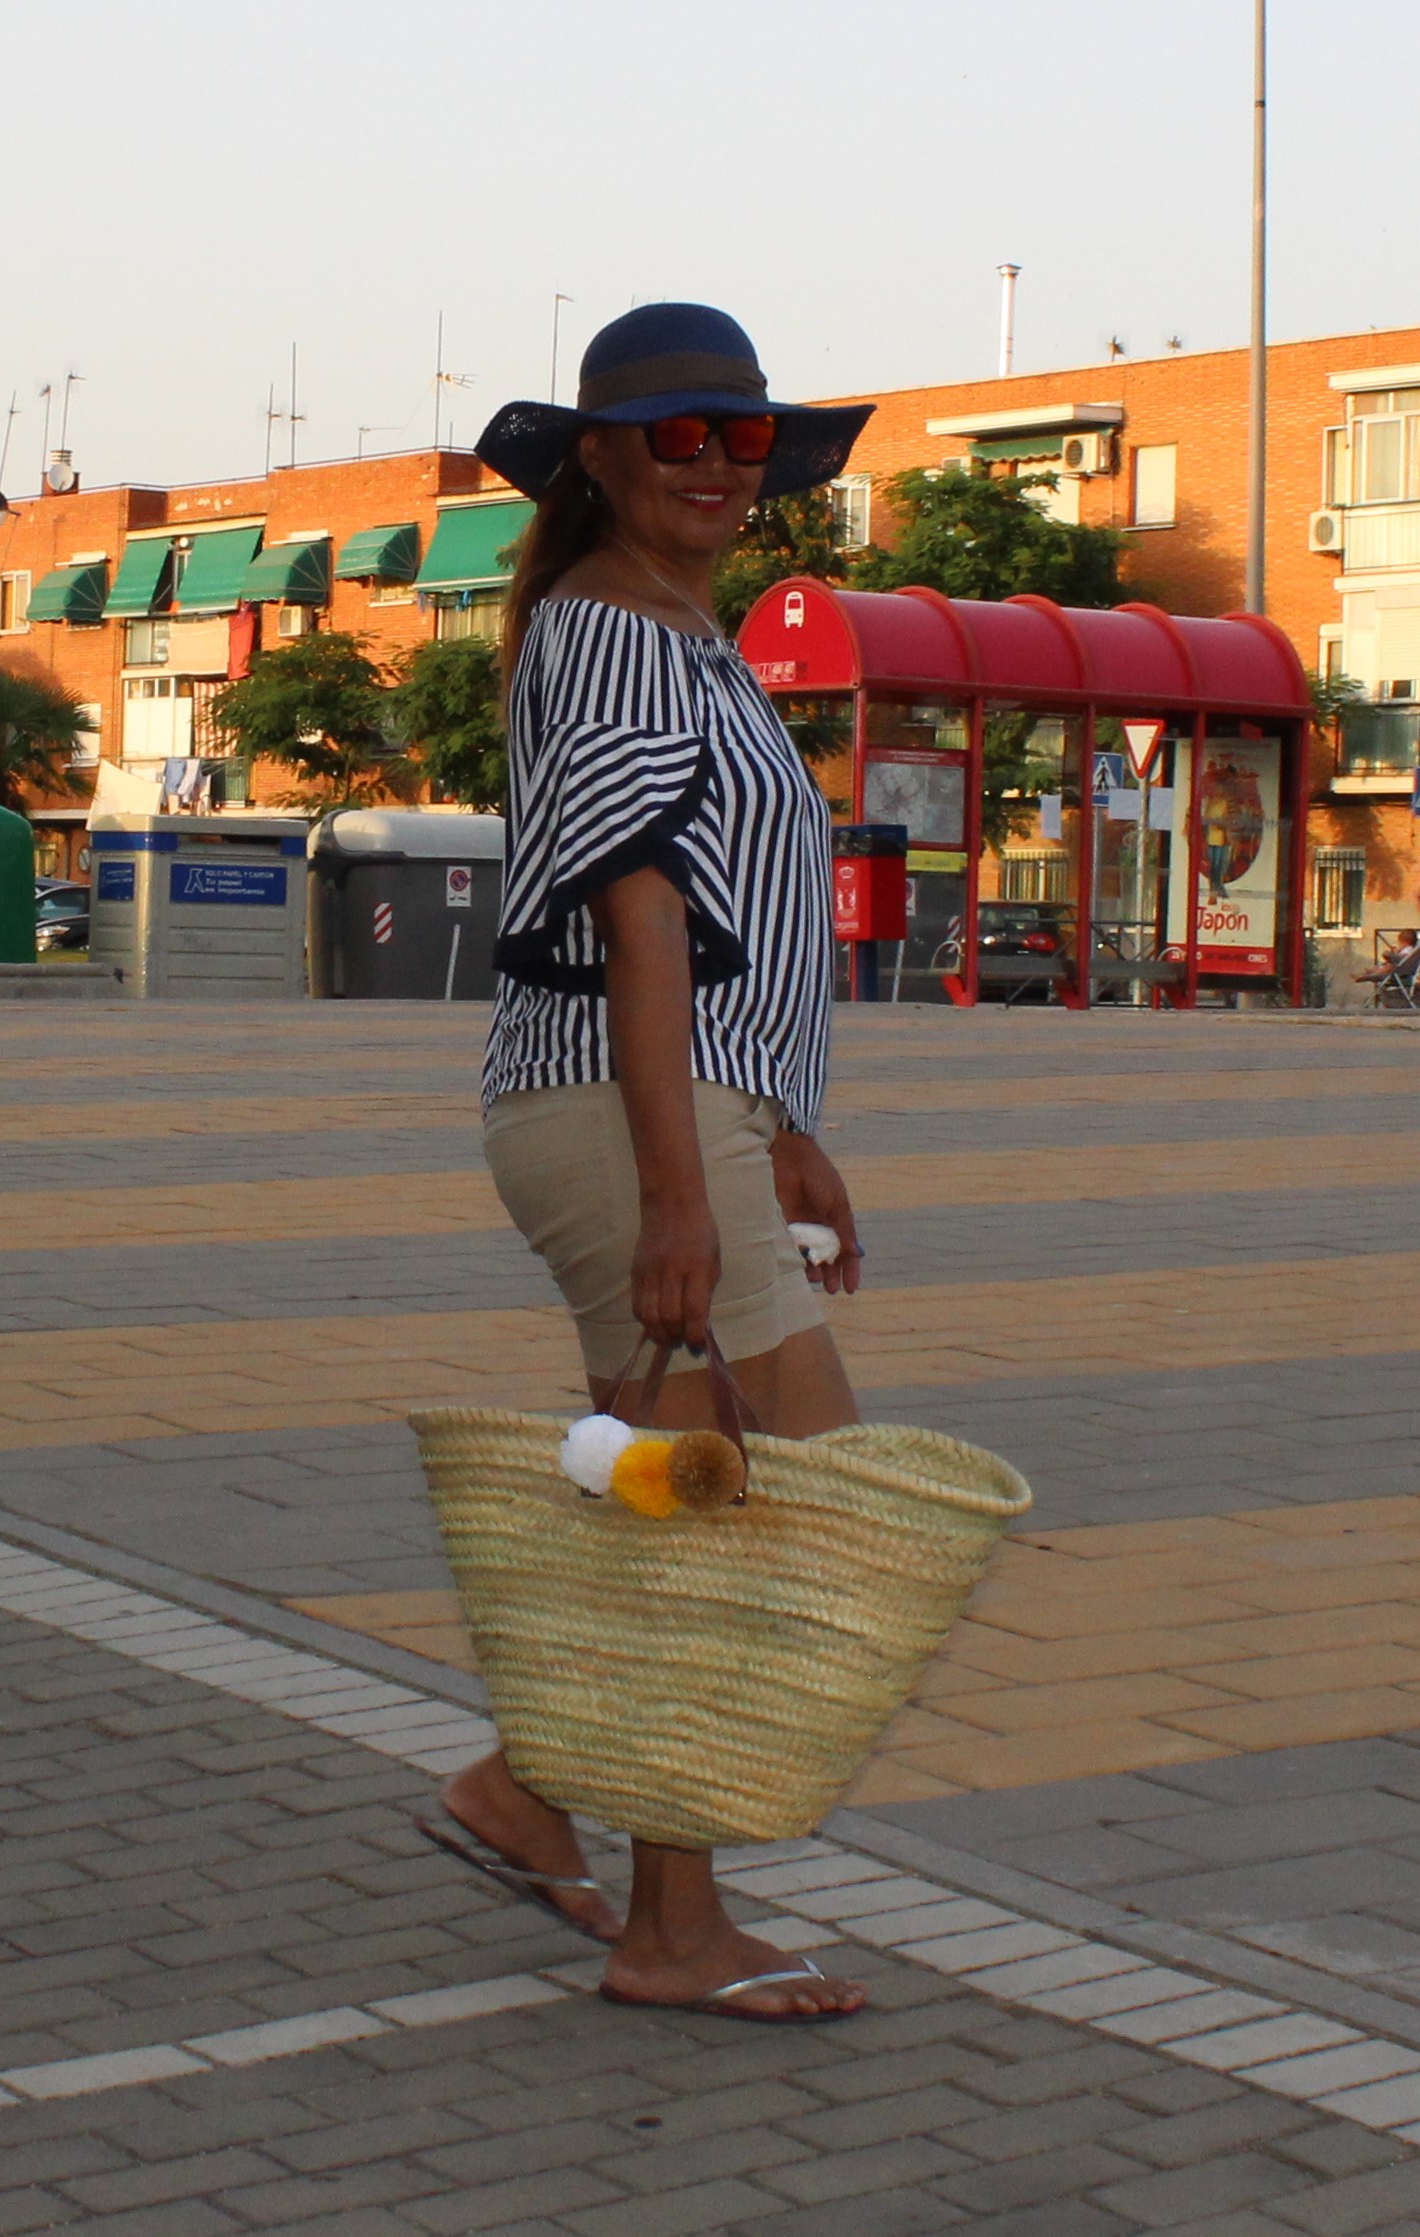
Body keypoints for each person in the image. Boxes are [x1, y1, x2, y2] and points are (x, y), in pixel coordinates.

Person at [424, 303, 876, 2022]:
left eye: (735, 434)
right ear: (597, 458)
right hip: (627, 1123)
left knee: (704, 1515)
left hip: (682, 1112)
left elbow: (717, 925)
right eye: (671, 433)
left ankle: (537, 1792)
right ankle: (661, 1922)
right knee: (783, 1515)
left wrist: (785, 1132)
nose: (707, 461)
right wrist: (684, 1189)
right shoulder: (609, 630)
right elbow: (632, 906)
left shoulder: (680, 634)